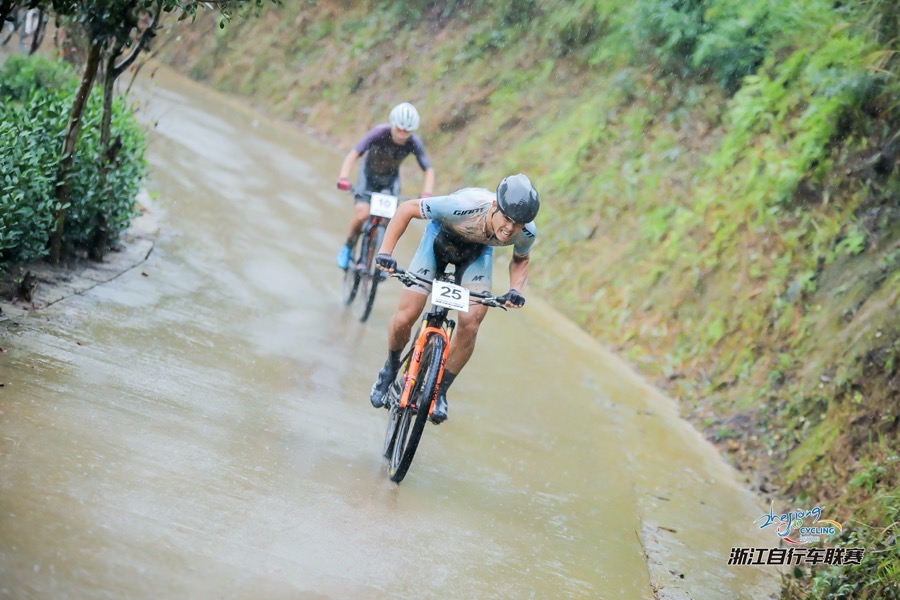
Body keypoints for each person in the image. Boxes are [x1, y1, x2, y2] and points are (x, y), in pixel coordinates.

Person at [368, 173, 540, 424]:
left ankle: (439, 391)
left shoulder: (526, 232)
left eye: (519, 223)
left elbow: (521, 258)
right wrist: (385, 252)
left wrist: (516, 289)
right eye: (508, 219)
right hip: (438, 242)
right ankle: (390, 368)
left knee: (471, 323)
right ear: (495, 206)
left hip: (476, 256)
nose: (511, 228)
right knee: (407, 315)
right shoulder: (463, 205)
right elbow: (407, 209)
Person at [335, 102, 435, 269]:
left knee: (387, 220)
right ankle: (347, 246)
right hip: (368, 176)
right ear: (392, 124)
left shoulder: (413, 142)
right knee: (362, 214)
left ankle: (380, 259)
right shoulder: (379, 132)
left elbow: (428, 170)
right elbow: (354, 154)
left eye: (407, 131)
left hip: (390, 181)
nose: (402, 134)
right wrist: (343, 177)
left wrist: (427, 193)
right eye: (398, 129)